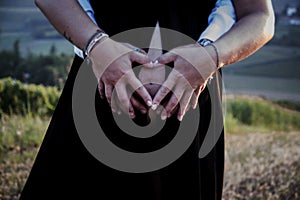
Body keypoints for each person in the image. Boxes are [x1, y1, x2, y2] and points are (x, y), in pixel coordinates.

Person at [19, 0, 274, 200]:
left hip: (190, 106)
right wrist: (96, 46)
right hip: (97, 90)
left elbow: (259, 15)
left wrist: (211, 56)